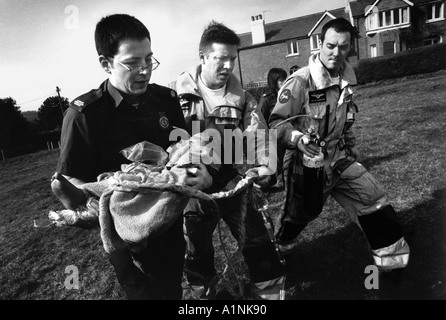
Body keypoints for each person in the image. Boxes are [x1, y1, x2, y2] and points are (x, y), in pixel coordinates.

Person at [51, 13, 213, 300]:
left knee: (170, 286)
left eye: (149, 60)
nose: (144, 71)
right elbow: (72, 177)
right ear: (106, 63)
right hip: (123, 231)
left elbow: (185, 148)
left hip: (168, 218)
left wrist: (196, 169)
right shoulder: (83, 116)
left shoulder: (166, 100)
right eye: (132, 63)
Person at [269, 18, 410, 274]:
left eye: (343, 47)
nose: (337, 53)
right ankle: (281, 246)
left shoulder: (345, 79)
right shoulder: (300, 82)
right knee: (301, 214)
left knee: (372, 197)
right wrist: (298, 139)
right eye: (331, 45)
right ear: (320, 43)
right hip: (307, 163)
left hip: (340, 156)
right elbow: (276, 125)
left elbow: (346, 119)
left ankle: (394, 264)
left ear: (350, 47)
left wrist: (351, 146)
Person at [170, 21, 285, 300]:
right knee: (196, 249)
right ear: (203, 57)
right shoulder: (173, 96)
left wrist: (265, 167)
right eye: (221, 59)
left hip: (231, 180)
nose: (228, 66)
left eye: (232, 59)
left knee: (257, 237)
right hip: (191, 186)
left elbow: (258, 134)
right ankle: (205, 296)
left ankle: (270, 295)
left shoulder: (243, 98)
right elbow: (168, 143)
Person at [258, 68, 288, 189]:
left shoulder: (286, 95)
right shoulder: (267, 99)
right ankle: (277, 179)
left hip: (287, 130)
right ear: (274, 82)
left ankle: (286, 178)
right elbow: (259, 118)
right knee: (276, 158)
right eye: (281, 80)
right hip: (272, 133)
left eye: (285, 79)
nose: (285, 82)